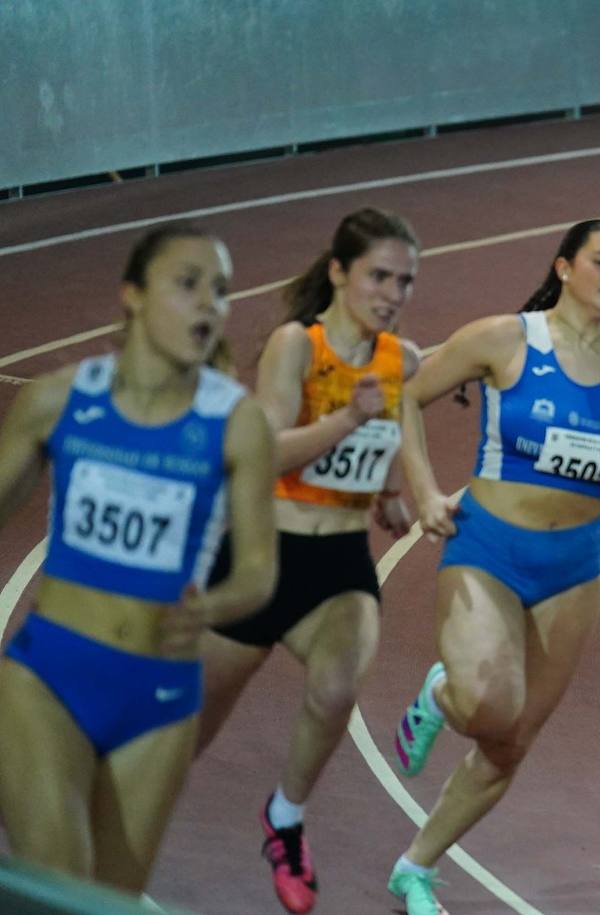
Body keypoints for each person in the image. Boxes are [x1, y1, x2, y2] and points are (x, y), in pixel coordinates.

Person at [385, 219, 600, 915]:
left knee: (510, 743)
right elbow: (402, 393)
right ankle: (441, 693)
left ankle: (415, 867)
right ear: (565, 265)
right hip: (487, 548)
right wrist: (422, 489)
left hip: (575, 567)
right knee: (486, 702)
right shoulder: (506, 338)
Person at [0, 224, 277, 894]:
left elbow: (258, 573)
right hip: (48, 676)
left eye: (222, 291)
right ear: (131, 295)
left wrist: (213, 604)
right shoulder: (57, 399)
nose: (210, 303)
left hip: (159, 698)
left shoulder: (238, 423)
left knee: (108, 903)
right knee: (58, 889)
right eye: (188, 284)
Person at [195, 207, 421, 914]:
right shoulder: (298, 345)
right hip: (263, 556)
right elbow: (262, 457)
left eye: (404, 281)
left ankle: (285, 817)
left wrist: (387, 494)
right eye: (378, 275)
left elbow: (380, 441)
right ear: (338, 272)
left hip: (341, 562)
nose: (390, 292)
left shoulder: (399, 361)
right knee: (181, 736)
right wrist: (343, 421)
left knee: (337, 686)